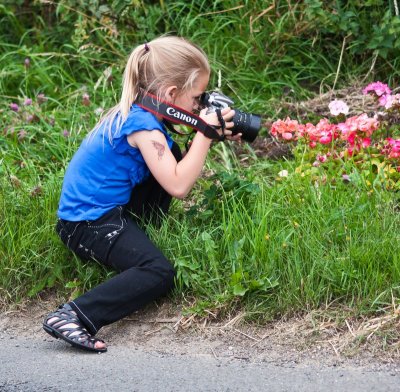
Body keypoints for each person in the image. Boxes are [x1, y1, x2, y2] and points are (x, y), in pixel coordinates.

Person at [42, 35, 241, 353]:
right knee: (157, 272)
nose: (199, 107)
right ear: (172, 93)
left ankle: (139, 238)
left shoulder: (144, 114)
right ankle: (75, 315)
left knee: (173, 155)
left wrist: (205, 135)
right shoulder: (143, 126)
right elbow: (179, 186)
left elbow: (172, 174)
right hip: (86, 224)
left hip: (101, 213)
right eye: (197, 98)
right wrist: (204, 133)